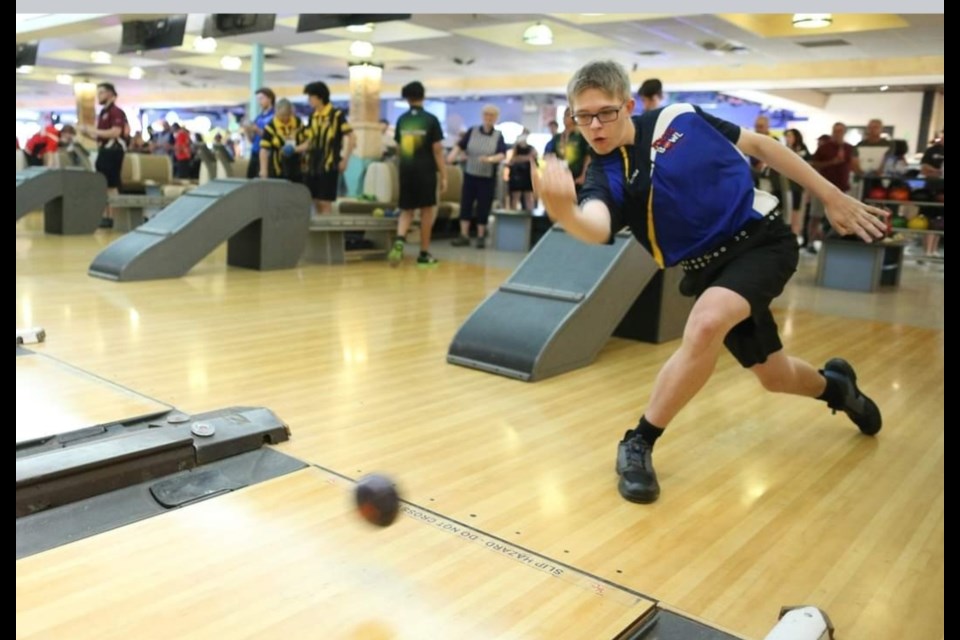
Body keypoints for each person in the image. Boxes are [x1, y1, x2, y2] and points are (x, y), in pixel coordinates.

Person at [532, 60, 886, 504]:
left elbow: (759, 145)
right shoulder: (606, 174)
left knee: (703, 325)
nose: (595, 126)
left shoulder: (676, 117)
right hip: (708, 270)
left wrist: (831, 197)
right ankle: (838, 387)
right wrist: (565, 213)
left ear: (629, 105)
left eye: (605, 112)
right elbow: (596, 225)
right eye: (583, 117)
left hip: (761, 241)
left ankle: (638, 442)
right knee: (773, 376)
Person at [387, 81, 447, 267]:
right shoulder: (431, 120)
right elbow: (437, 150)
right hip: (426, 171)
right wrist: (444, 175)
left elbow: (398, 148)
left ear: (407, 98)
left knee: (406, 210)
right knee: (427, 212)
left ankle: (399, 240)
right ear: (423, 96)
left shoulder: (402, 120)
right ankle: (423, 253)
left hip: (406, 170)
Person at [447, 104, 507, 248]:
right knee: (466, 204)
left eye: (492, 115)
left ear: (496, 118)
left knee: (483, 206)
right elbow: (460, 146)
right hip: (470, 174)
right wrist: (452, 156)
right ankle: (464, 235)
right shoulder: (472, 131)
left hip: (487, 177)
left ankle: (480, 235)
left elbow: (502, 154)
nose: (488, 118)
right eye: (486, 115)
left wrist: (490, 159)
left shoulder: (498, 135)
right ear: (482, 116)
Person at [298, 81, 355, 214]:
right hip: (313, 164)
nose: (309, 100)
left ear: (320, 97)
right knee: (314, 200)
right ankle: (318, 232)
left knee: (325, 201)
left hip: (329, 164)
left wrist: (345, 160)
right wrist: (295, 149)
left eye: (311, 97)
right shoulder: (313, 117)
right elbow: (309, 142)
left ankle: (326, 232)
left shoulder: (336, 115)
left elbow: (351, 137)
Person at [78, 82, 129, 228]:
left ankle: (114, 217)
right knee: (104, 185)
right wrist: (87, 133)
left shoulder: (116, 112)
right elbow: (101, 136)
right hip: (104, 151)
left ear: (110, 94)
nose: (98, 96)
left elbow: (115, 132)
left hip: (113, 151)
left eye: (101, 93)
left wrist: (93, 130)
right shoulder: (103, 113)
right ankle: (106, 216)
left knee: (112, 185)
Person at [808, 122, 855, 251]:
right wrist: (831, 162)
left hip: (842, 188)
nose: (837, 133)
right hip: (822, 187)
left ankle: (837, 243)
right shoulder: (824, 147)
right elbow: (813, 164)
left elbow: (854, 165)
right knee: (816, 216)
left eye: (840, 131)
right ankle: (811, 242)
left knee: (841, 217)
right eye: (835, 131)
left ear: (844, 132)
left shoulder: (849, 148)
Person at [545, 108, 591, 196]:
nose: (564, 118)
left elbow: (588, 157)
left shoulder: (581, 136)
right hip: (560, 177)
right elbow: (551, 155)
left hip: (576, 177)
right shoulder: (557, 137)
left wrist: (583, 175)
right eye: (564, 115)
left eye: (567, 115)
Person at [258, 98, 305, 182]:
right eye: (281, 115)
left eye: (286, 115)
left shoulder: (298, 122)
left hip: (296, 166)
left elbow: (306, 141)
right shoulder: (270, 126)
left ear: (291, 112)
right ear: (276, 112)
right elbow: (264, 149)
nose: (284, 118)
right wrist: (263, 170)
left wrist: (298, 150)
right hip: (277, 168)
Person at [783, 128, 811, 238]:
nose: (788, 138)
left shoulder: (802, 150)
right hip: (785, 186)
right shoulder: (785, 149)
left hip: (797, 186)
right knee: (787, 213)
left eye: (790, 136)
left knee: (796, 213)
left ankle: (795, 234)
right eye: (787, 136)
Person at [243, 87, 275, 180]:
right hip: (255, 151)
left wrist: (257, 130)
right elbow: (252, 140)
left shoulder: (274, 116)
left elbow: (270, 137)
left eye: (261, 98)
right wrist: (247, 131)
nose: (259, 101)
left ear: (270, 98)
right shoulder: (259, 117)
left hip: (266, 153)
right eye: (258, 99)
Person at [507, 130, 537, 211]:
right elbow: (512, 159)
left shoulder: (531, 148)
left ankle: (529, 217)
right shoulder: (515, 148)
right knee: (515, 196)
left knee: (528, 197)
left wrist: (522, 158)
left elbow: (533, 157)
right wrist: (526, 158)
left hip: (527, 175)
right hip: (516, 175)